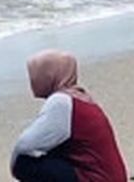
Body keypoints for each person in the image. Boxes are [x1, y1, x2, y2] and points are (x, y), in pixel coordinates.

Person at [11, 50, 127, 182]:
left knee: (24, 163)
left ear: (48, 75)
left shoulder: (61, 102)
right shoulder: (80, 97)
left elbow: (25, 145)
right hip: (110, 177)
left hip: (96, 178)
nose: (32, 80)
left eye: (35, 74)